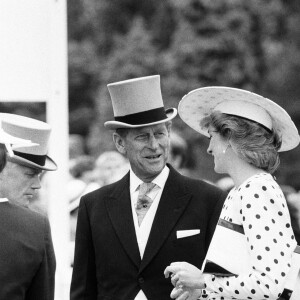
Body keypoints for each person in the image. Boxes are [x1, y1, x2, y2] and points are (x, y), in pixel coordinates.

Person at [70, 75, 226, 300]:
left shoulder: (209, 199)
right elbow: (83, 291)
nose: (154, 145)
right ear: (120, 142)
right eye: (143, 136)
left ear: (169, 131)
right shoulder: (93, 205)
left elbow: (224, 284)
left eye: (160, 133)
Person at [164, 86, 300, 300]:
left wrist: (202, 280)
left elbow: (269, 285)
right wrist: (202, 292)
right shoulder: (243, 190)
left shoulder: (258, 188)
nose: (209, 148)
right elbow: (239, 276)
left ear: (229, 137)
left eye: (212, 136)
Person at [0, 113, 57, 300]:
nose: (37, 185)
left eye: (39, 175)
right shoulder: (34, 227)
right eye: (29, 173)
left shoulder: (34, 226)